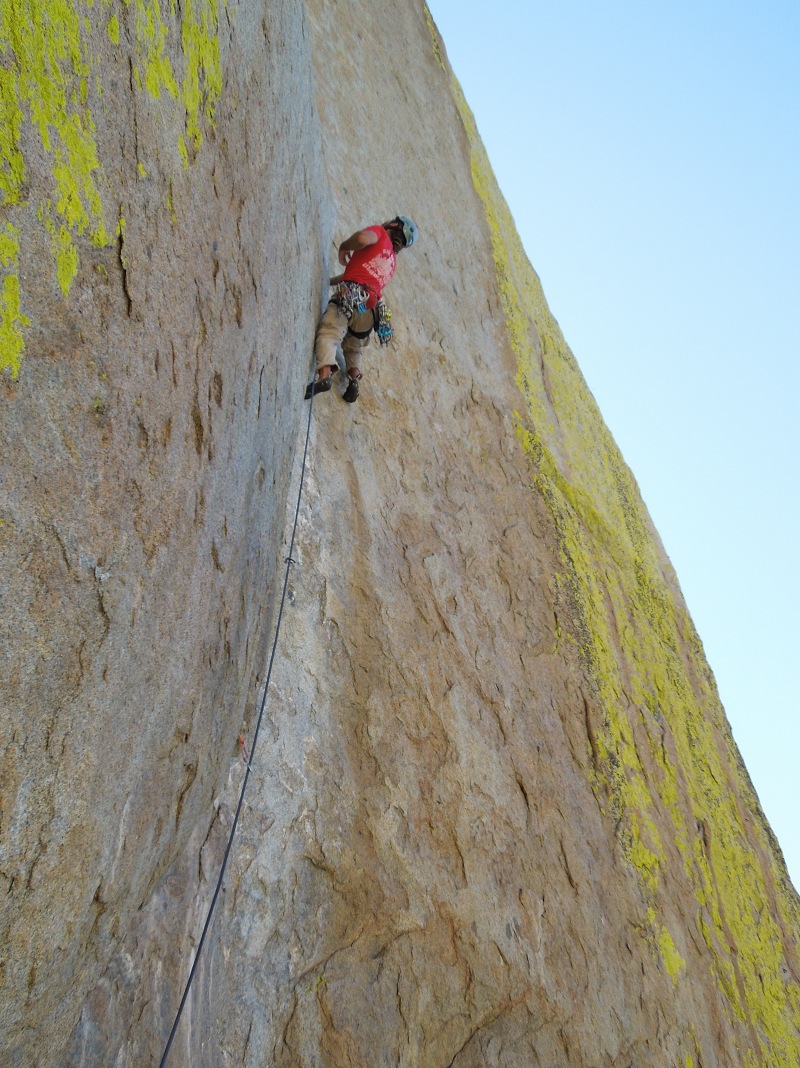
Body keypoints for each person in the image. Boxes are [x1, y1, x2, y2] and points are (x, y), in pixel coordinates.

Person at [305, 215, 418, 403]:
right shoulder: (391, 263)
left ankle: (324, 376)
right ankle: (354, 378)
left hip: (352, 296)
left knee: (330, 332)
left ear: (394, 225)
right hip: (372, 310)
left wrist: (344, 246)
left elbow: (361, 239)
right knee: (354, 346)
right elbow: (356, 276)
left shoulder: (380, 234)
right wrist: (329, 281)